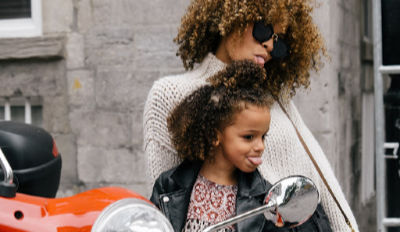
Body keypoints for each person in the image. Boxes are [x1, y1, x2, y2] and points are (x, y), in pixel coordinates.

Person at [143, 0, 359, 231]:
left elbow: (321, 179)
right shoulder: (171, 94)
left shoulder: (275, 98)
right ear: (232, 16)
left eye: (278, 42)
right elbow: (167, 205)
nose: (268, 45)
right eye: (263, 29)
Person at [150, 61, 333, 232]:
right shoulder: (170, 185)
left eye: (263, 136)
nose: (260, 146)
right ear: (215, 135)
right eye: (249, 137)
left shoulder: (265, 202)